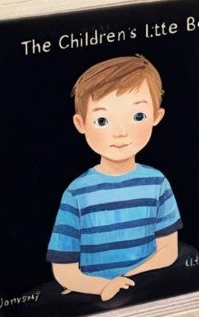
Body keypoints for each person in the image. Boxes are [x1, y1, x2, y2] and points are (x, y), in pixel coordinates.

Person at [48, 54, 180, 301]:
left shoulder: (157, 183)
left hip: (146, 290)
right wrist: (101, 287)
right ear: (81, 123)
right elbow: (64, 269)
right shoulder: (77, 193)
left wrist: (126, 280)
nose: (120, 133)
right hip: (92, 300)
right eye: (102, 120)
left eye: (137, 116)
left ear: (156, 117)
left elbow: (168, 250)